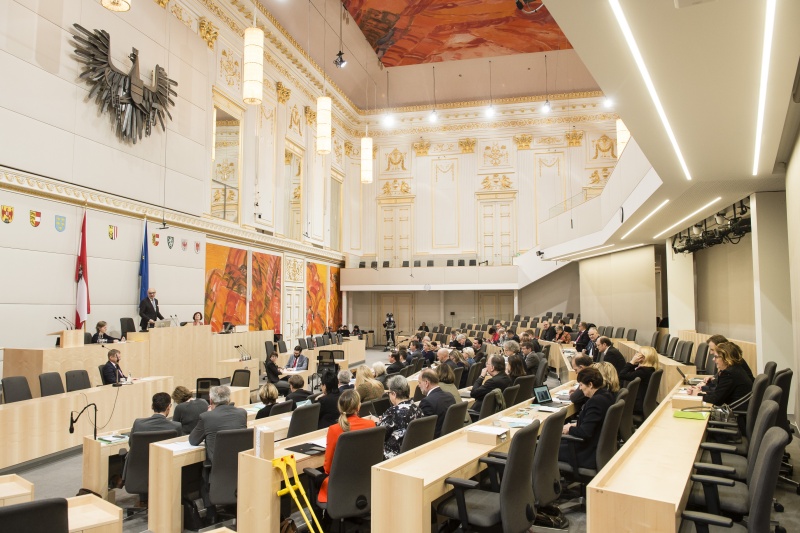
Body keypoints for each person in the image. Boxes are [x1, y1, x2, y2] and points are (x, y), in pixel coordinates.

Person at [188, 386, 247, 520]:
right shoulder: (241, 413)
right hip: (241, 465)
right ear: (229, 399)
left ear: (210, 400)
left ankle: (211, 513)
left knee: (201, 472)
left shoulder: (206, 416)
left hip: (217, 468)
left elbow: (193, 440)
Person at [318, 390, 376, 504]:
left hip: (340, 485)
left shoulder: (334, 430)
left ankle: (321, 521)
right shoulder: (371, 425)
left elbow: (328, 468)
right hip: (366, 481)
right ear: (358, 406)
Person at [558, 367, 616, 470]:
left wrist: (569, 429)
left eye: (581, 385)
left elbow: (585, 432)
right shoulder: (607, 396)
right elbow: (596, 423)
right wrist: (576, 424)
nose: (579, 389)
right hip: (598, 448)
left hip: (586, 453)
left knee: (545, 449)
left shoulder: (595, 402)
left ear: (590, 384)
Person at [690, 341, 754, 432]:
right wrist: (701, 390)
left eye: (716, 357)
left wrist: (698, 395)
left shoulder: (729, 374)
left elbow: (716, 400)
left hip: (734, 423)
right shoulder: (735, 370)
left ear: (726, 358)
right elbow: (719, 392)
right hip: (739, 418)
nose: (713, 360)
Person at [376, 375, 424, 459]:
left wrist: (379, 421)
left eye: (389, 393)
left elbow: (379, 434)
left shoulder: (393, 411)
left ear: (394, 394)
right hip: (414, 452)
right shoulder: (417, 408)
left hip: (394, 456)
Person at [619, 346, 660, 415]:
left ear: (643, 357)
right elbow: (630, 373)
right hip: (641, 402)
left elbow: (622, 375)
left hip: (636, 405)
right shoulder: (649, 369)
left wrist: (632, 362)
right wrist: (634, 364)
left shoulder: (642, 372)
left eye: (638, 353)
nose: (635, 355)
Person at [418, 369, 456, 438]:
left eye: (419, 382)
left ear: (426, 383)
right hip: (450, 437)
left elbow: (423, 431)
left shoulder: (426, 402)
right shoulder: (450, 396)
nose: (418, 385)